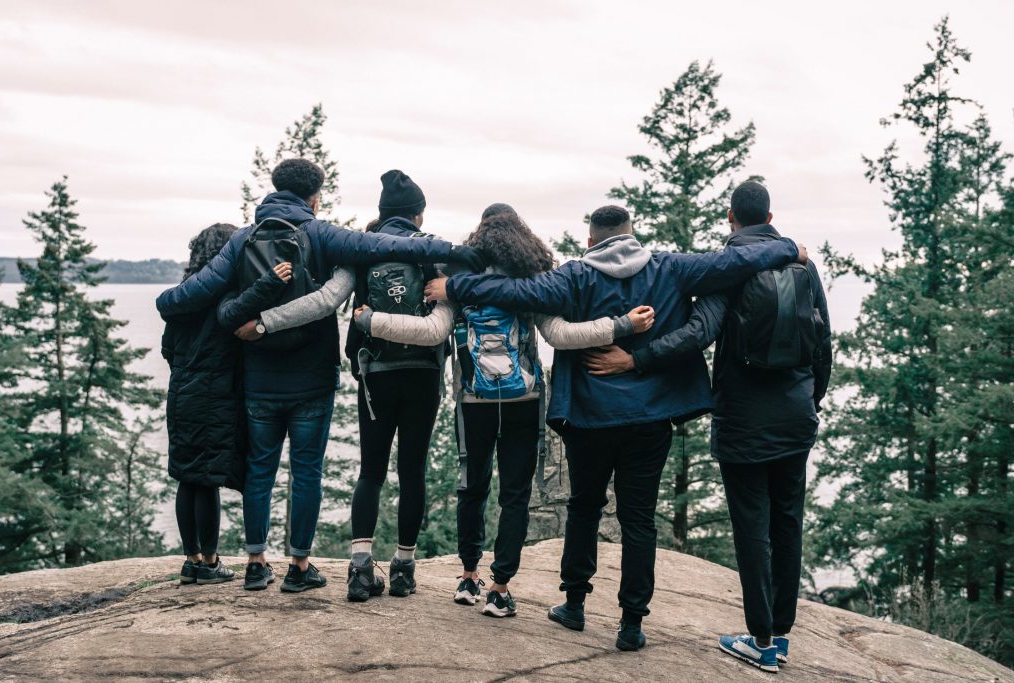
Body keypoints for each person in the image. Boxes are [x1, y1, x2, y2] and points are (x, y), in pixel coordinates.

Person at [426, 204, 806, 652]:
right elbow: (732, 262)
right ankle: (631, 623)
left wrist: (455, 284)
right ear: (632, 235)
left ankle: (575, 605)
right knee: (639, 520)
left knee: (584, 508)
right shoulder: (671, 267)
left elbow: (517, 291)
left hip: (590, 417)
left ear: (590, 241)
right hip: (651, 418)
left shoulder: (574, 276)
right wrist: (786, 248)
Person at [156, 159, 485, 594]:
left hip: (259, 377)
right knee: (307, 471)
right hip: (312, 377)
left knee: (260, 470)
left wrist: (197, 306)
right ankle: (298, 567)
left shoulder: (241, 239)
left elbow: (181, 299)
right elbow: (379, 247)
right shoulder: (320, 233)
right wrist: (450, 252)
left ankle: (255, 564)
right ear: (315, 197)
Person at [352, 203, 654, 618]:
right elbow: (562, 336)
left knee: (471, 489)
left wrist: (370, 321)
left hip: (473, 400)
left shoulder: (458, 282)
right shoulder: (532, 283)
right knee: (514, 495)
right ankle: (500, 587)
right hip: (524, 400)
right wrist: (621, 326)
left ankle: (468, 577)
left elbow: (431, 332)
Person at [584, 182, 832, 673]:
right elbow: (822, 339)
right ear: (770, 216)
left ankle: (760, 639)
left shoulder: (732, 270)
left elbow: (697, 334)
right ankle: (780, 636)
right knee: (787, 523)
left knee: (752, 529)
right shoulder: (803, 265)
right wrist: (811, 398)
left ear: (730, 218)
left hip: (744, 421)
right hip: (796, 418)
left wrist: (635, 360)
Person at [160, 223, 292, 586]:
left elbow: (168, 348)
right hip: (215, 394)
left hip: (182, 391)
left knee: (187, 476)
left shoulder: (185, 296)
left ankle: (191, 560)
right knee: (207, 478)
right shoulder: (227, 294)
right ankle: (210, 560)